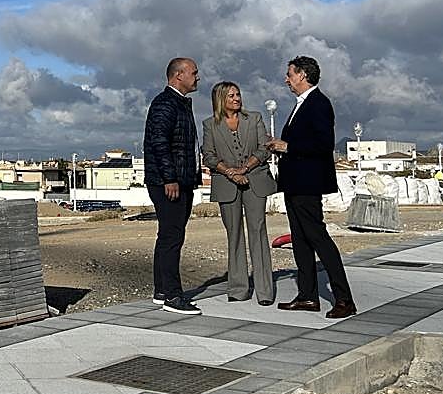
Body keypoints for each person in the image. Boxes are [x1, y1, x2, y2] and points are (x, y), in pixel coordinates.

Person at [266, 56, 357, 318]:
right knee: (300, 240)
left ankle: (344, 298)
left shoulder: (318, 103)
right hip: (294, 183)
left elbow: (323, 144)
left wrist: (288, 146)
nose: (286, 79)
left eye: (290, 74)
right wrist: (279, 146)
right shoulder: (300, 104)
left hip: (308, 183)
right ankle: (307, 295)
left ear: (303, 75)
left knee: (318, 238)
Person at [201, 82, 277, 306]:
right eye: (231, 95)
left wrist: (244, 168)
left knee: (258, 231)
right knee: (233, 234)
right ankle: (238, 288)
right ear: (220, 99)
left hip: (255, 181)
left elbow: (264, 148)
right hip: (226, 184)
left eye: (238, 94)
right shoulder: (209, 125)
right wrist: (231, 174)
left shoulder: (254, 118)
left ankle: (265, 291)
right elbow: (209, 156)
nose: (237, 98)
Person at [143, 57, 203, 315]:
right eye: (194, 73)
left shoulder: (179, 103)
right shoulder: (166, 103)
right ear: (179, 75)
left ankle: (162, 291)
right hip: (168, 182)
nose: (197, 77)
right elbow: (159, 142)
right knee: (172, 237)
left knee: (168, 235)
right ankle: (173, 296)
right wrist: (170, 178)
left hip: (179, 180)